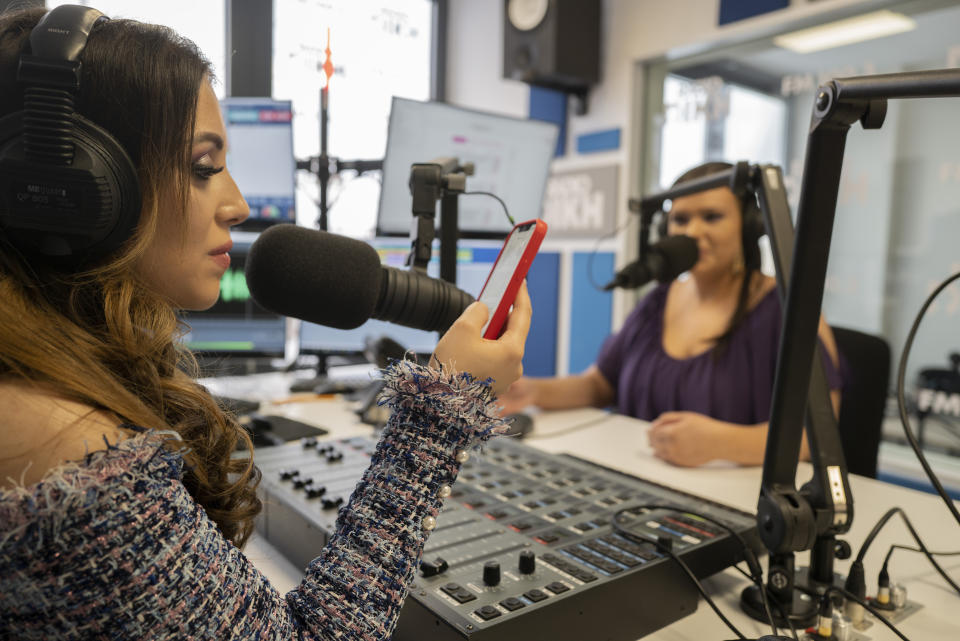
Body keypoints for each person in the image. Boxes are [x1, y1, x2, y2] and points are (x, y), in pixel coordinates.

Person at [0, 7, 530, 640]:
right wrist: (440, 417)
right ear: (73, 188)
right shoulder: (62, 453)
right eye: (202, 167)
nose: (239, 204)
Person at [499, 161, 842, 467]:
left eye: (712, 217)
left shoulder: (786, 308)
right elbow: (599, 383)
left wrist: (722, 444)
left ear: (750, 226)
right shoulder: (657, 302)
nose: (692, 232)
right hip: (642, 481)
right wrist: (531, 392)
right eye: (680, 219)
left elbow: (815, 433)